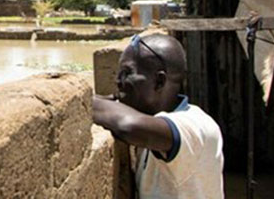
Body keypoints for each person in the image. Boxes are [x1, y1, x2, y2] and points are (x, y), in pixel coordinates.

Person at [92, 34, 224, 198]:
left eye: (127, 73)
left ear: (159, 81)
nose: (118, 81)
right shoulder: (156, 119)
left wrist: (82, 103)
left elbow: (128, 126)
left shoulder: (195, 125)